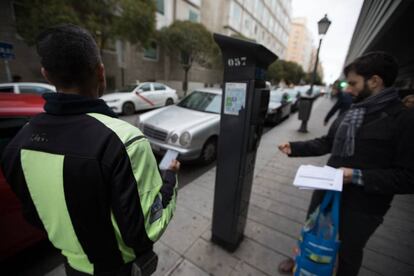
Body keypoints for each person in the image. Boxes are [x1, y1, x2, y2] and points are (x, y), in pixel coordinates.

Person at [1, 24, 180, 276]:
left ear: (46, 75)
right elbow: (146, 231)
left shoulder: (17, 145)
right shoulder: (124, 141)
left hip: (72, 266)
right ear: (101, 72)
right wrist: (170, 178)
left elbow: (33, 216)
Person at [277, 51, 414, 276]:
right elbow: (328, 142)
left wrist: (357, 175)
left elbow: (409, 177)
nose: (348, 89)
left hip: (363, 206)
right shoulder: (351, 111)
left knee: (347, 253)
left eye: (352, 83)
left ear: (375, 81)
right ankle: (301, 260)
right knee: (311, 231)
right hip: (326, 190)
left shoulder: (404, 120)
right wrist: (296, 147)